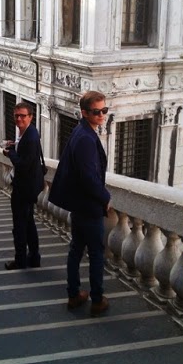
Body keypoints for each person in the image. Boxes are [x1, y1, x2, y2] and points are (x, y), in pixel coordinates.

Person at [50, 90, 112, 316]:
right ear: (84, 113)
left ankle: (74, 294)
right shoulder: (85, 138)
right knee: (95, 254)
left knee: (76, 249)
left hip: (79, 205)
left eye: (104, 110)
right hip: (88, 207)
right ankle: (97, 300)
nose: (101, 115)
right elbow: (88, 178)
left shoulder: (81, 131)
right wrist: (105, 198)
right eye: (96, 112)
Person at [4, 101, 44, 270]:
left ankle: (20, 260)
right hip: (29, 186)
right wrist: (15, 146)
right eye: (16, 116)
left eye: (23, 116)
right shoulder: (29, 132)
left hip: (24, 188)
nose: (19, 119)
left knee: (20, 226)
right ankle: (34, 258)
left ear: (31, 117)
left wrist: (10, 153)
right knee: (28, 224)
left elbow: (23, 165)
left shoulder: (31, 137)